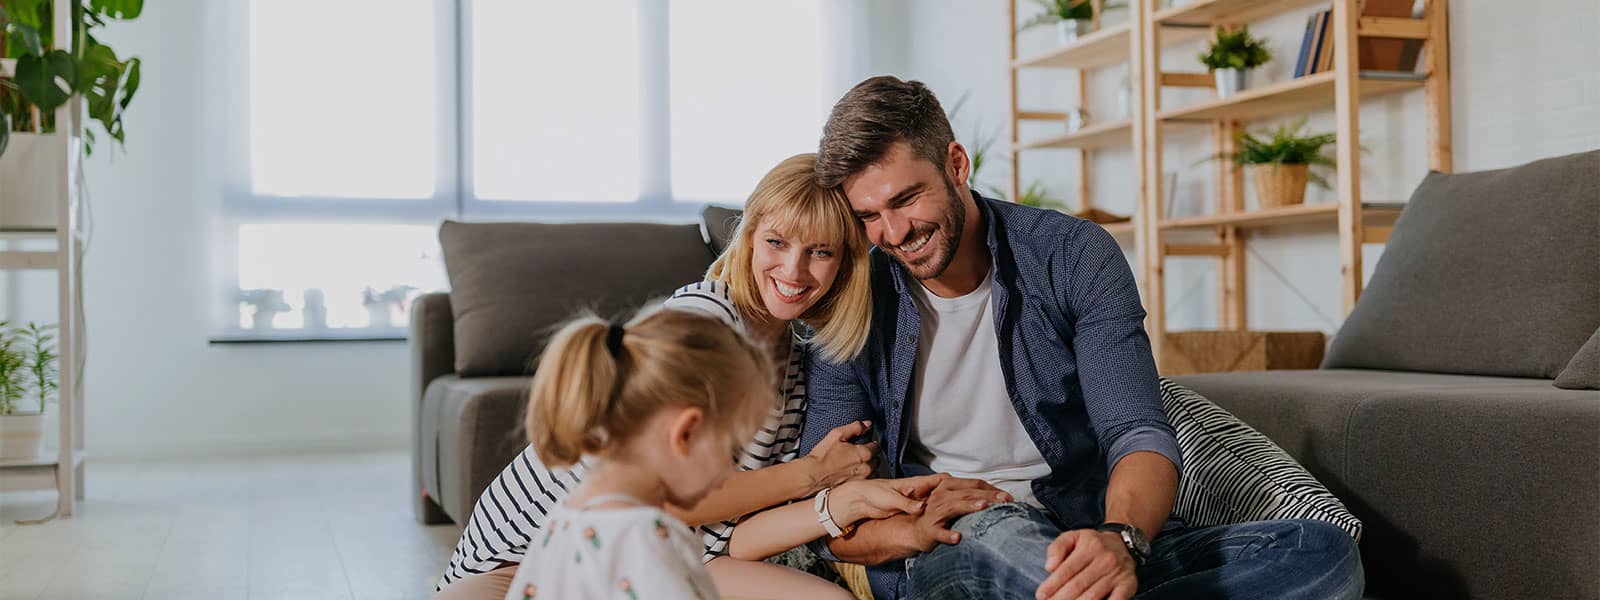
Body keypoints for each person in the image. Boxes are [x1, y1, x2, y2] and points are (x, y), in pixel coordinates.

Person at [798, 76, 1365, 600]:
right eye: (869, 215)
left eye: (905, 200)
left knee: (1321, 552)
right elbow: (828, 515)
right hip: (959, 541)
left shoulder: (1071, 255)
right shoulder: (854, 298)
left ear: (956, 163)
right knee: (1003, 535)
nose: (893, 234)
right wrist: (914, 530)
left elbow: (1138, 431)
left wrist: (1120, 540)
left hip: (1083, 528)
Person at [436, 154, 920, 600]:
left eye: (820, 252)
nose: (793, 269)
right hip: (523, 558)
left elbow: (732, 533)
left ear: (844, 265)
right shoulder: (705, 319)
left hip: (674, 547)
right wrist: (813, 474)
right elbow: (673, 492)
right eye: (777, 242)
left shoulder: (799, 367)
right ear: (749, 236)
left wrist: (838, 501)